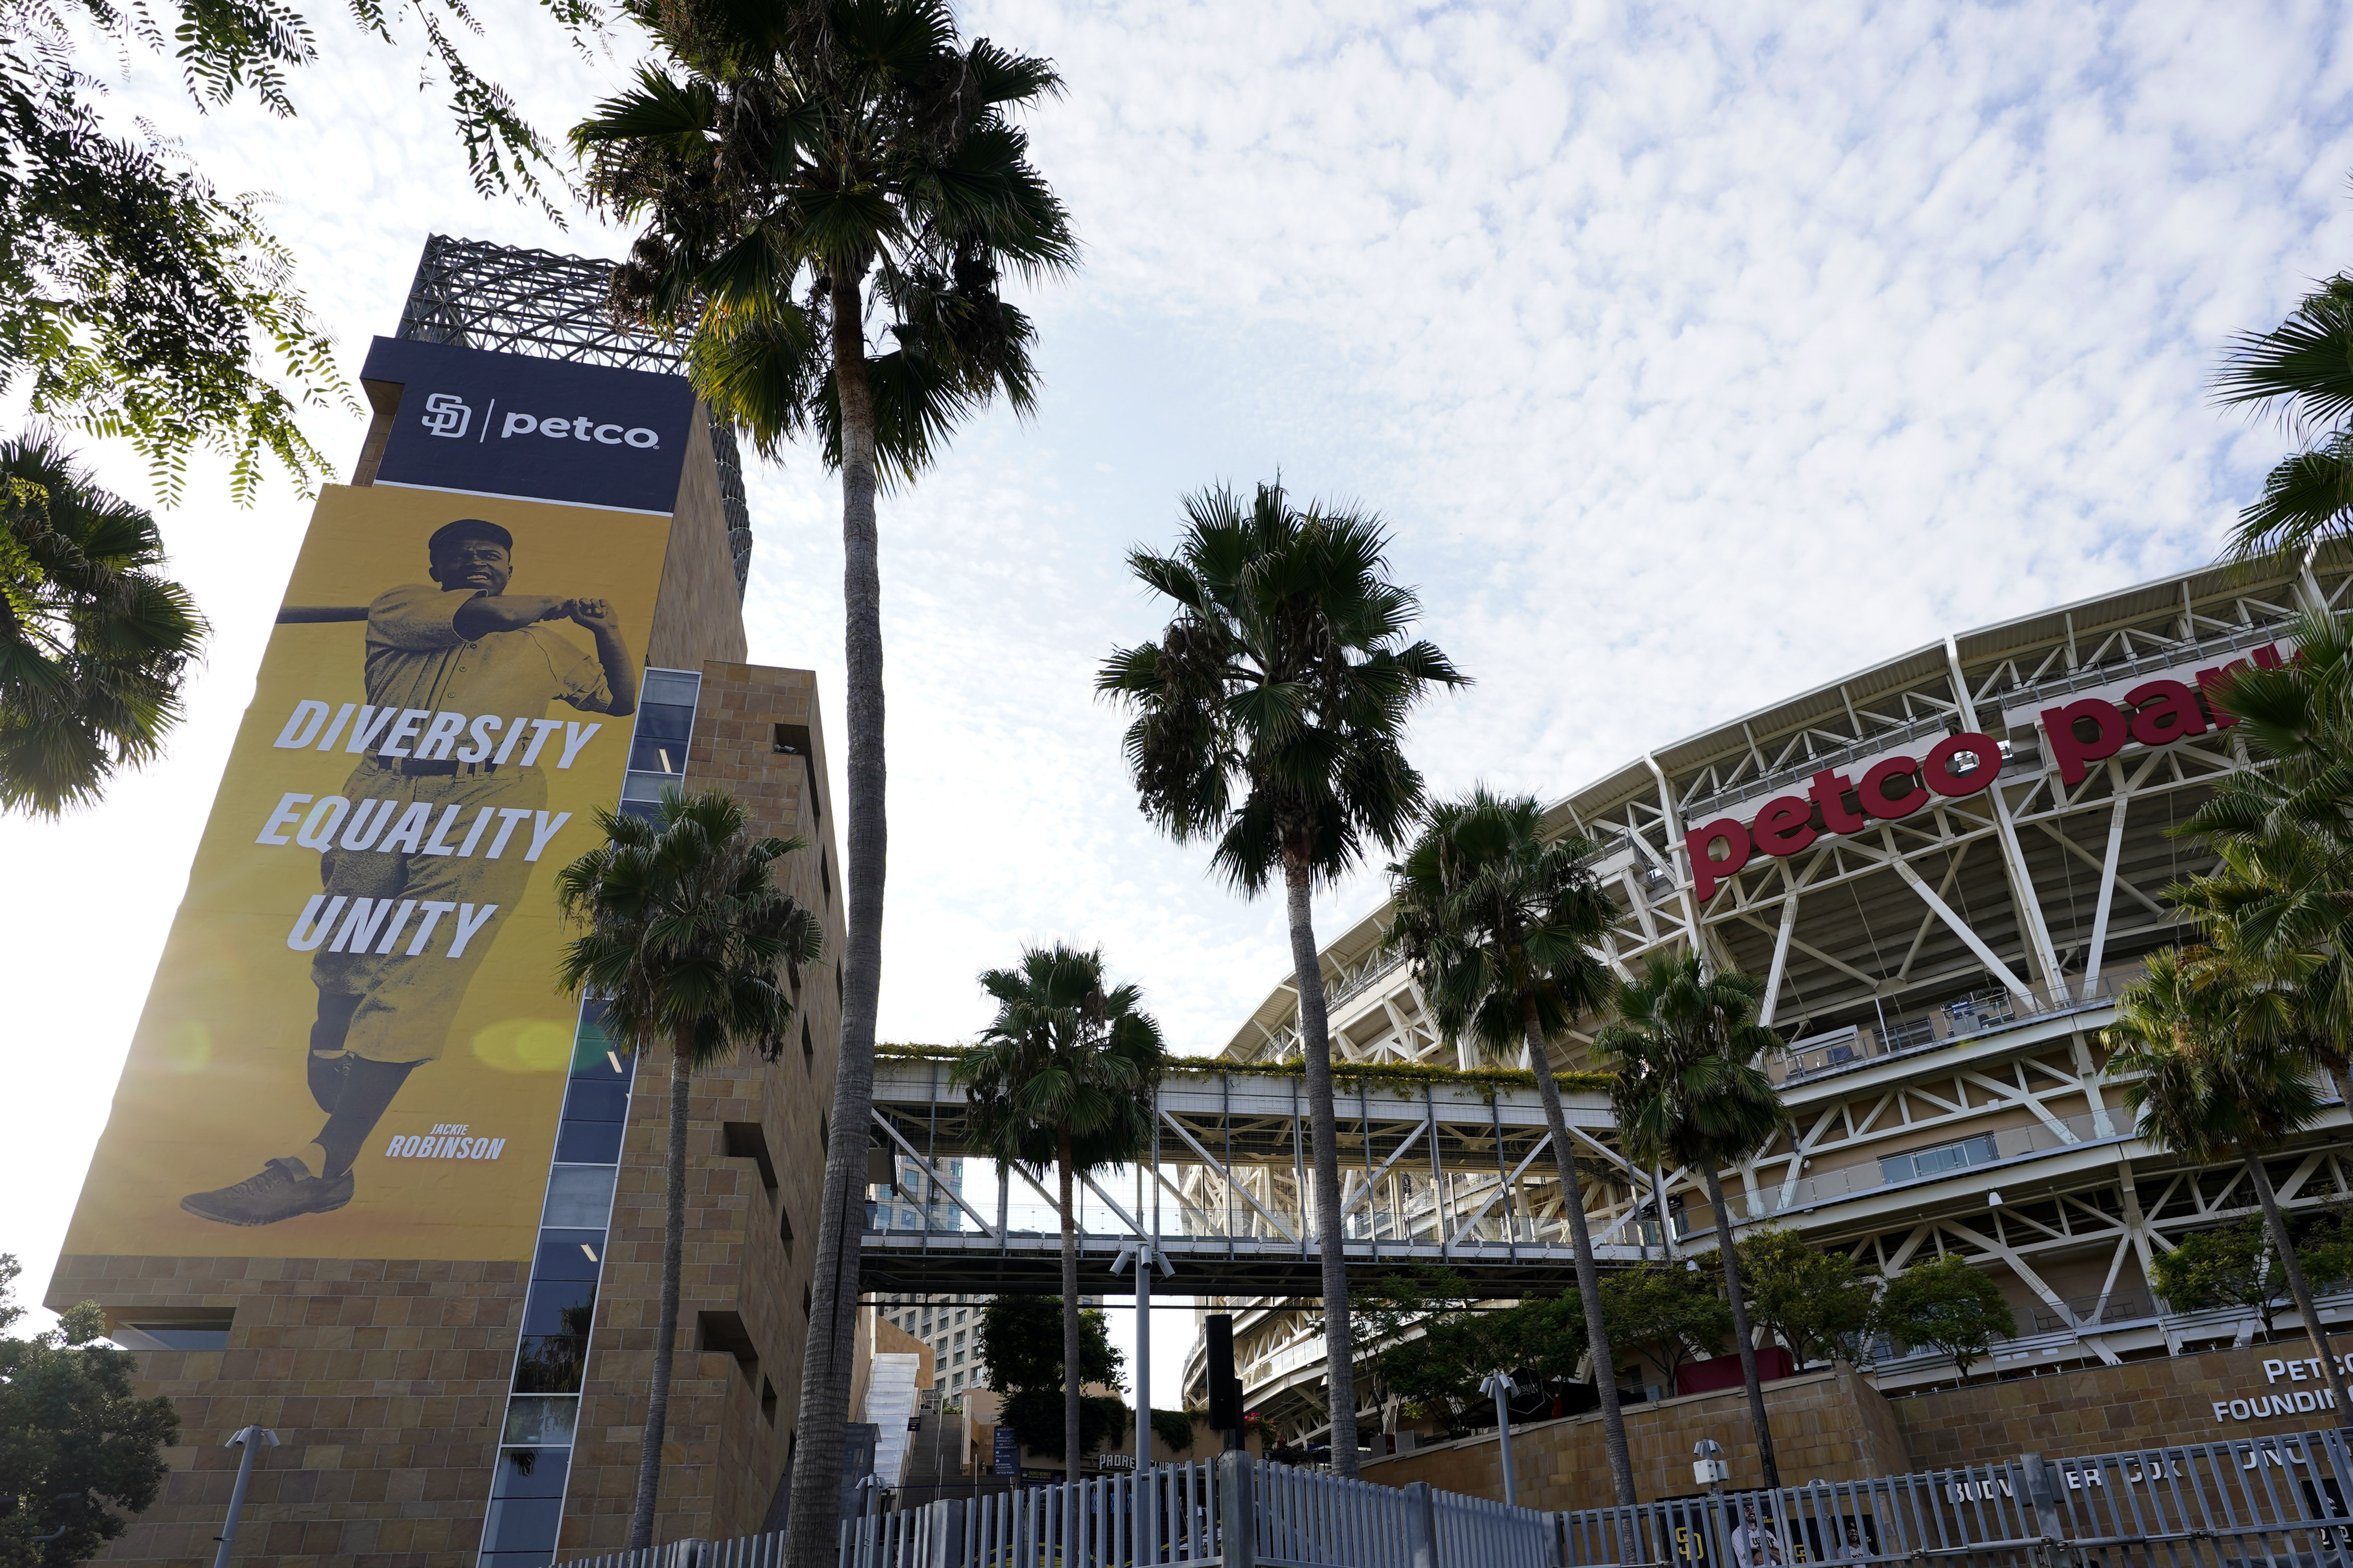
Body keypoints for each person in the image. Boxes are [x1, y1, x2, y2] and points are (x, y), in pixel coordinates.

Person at [181, 518, 637, 1226]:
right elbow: (490, 614)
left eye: (493, 555)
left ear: (511, 565)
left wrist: (604, 629)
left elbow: (618, 698)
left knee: (425, 968)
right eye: (461, 555)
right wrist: (553, 603)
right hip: (386, 783)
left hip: (491, 797)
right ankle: (330, 1036)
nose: (478, 562)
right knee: (346, 937)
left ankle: (322, 1166)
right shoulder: (404, 607)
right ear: (437, 569)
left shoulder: (549, 647)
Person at [1731, 1504, 1784, 1568]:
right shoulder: (1738, 1534)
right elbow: (1759, 1560)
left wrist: (1765, 1549)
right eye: (1747, 1509)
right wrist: (1773, 1553)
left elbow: (1782, 1557)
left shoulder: (1767, 1533)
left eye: (1753, 1509)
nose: (1751, 1512)